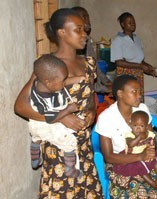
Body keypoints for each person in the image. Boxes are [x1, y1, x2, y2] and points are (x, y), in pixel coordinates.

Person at [14, 8, 102, 198]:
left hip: (84, 144)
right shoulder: (47, 65)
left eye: (84, 29)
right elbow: (20, 106)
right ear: (62, 32)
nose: (84, 34)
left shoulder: (89, 64)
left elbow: (91, 99)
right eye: (78, 29)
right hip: (58, 147)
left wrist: (92, 113)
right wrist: (61, 119)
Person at [95, 75, 157, 198]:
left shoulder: (142, 109)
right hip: (121, 163)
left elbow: (151, 138)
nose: (139, 95)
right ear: (120, 93)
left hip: (146, 158)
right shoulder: (106, 117)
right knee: (136, 189)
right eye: (134, 92)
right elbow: (108, 157)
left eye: (139, 92)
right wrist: (139, 156)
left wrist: (149, 150)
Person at [29, 54, 84, 179]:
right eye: (62, 81)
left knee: (36, 138)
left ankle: (35, 158)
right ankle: (70, 169)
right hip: (45, 125)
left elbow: (60, 83)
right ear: (49, 82)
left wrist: (76, 79)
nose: (64, 83)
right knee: (70, 142)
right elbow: (50, 118)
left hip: (34, 126)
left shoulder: (43, 84)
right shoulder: (43, 101)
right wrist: (68, 109)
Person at [113, 110, 157, 188]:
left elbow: (153, 145)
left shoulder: (149, 134)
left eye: (141, 126)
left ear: (146, 127)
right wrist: (139, 137)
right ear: (130, 125)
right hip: (133, 158)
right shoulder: (129, 135)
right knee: (141, 169)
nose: (138, 129)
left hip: (146, 156)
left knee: (156, 161)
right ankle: (153, 183)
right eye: (135, 125)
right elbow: (130, 144)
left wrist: (151, 146)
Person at [111, 12, 157, 101]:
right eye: (129, 22)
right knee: (128, 100)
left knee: (137, 100)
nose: (132, 24)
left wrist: (148, 67)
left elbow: (140, 60)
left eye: (133, 22)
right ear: (122, 24)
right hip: (125, 76)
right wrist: (141, 66)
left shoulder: (137, 39)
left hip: (138, 75)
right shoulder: (118, 40)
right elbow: (119, 62)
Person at [72, 6, 112, 94]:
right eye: (84, 17)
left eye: (88, 17)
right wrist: (104, 88)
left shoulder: (87, 40)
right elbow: (83, 77)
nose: (88, 20)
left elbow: (94, 65)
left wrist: (106, 81)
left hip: (91, 89)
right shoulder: (77, 45)